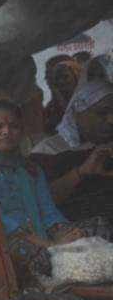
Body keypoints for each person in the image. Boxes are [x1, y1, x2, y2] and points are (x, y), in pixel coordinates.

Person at [0, 100, 98, 280]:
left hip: (43, 241)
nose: (6, 131)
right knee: (36, 254)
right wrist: (52, 245)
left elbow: (48, 211)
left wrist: (67, 234)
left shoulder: (29, 169)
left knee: (99, 228)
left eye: (13, 126)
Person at [32, 78, 113, 226]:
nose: (111, 120)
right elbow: (37, 203)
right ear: (77, 111)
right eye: (102, 112)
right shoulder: (48, 150)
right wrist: (80, 173)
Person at [42, 56, 81, 135]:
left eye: (64, 76)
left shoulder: (88, 103)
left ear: (76, 74)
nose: (48, 78)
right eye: (48, 74)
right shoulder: (51, 108)